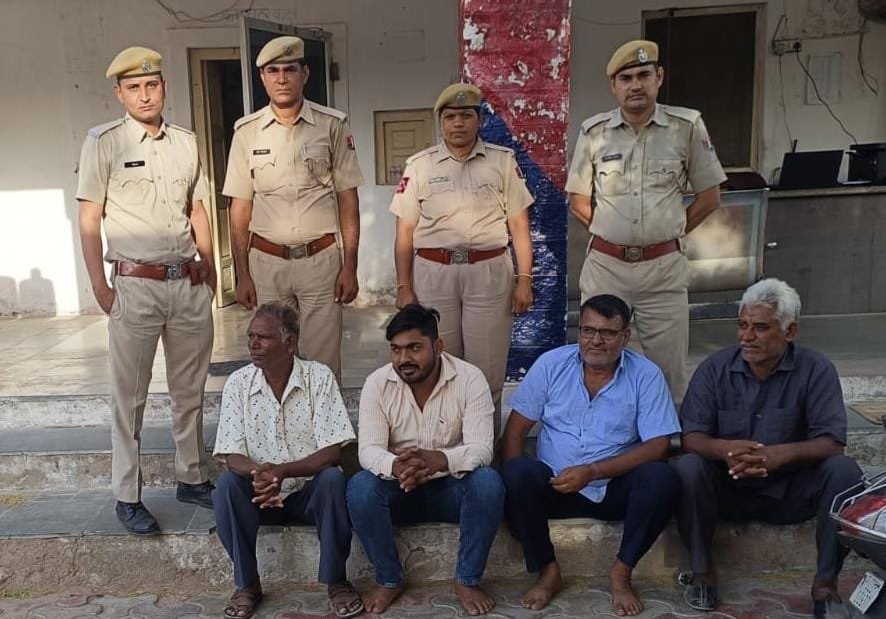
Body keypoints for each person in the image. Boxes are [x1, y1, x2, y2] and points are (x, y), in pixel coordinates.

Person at [76, 46, 216, 535]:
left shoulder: (186, 142)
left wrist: (209, 266)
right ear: (119, 93)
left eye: (152, 85)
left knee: (190, 390)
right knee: (129, 396)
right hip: (135, 286)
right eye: (133, 87)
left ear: (164, 88)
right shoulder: (104, 142)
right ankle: (127, 494)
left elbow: (197, 208)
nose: (144, 94)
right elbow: (89, 217)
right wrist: (100, 286)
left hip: (186, 283)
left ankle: (192, 477)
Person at [673, 278, 862, 619]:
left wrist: (779, 455)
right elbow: (691, 435)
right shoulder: (715, 368)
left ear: (790, 332)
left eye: (760, 328)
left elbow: (831, 441)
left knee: (844, 472)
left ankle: (825, 586)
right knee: (688, 467)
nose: (746, 337)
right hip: (727, 489)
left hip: (788, 492)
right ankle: (703, 574)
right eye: (742, 325)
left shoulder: (816, 369)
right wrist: (724, 450)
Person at [565, 39, 726, 402]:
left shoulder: (686, 126)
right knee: (598, 358)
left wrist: (667, 233)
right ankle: (604, 427)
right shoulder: (594, 132)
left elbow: (709, 197)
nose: (635, 85)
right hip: (606, 266)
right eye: (626, 78)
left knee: (667, 368)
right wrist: (613, 232)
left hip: (663, 269)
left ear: (659, 77)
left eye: (643, 75)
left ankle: (664, 434)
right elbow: (578, 202)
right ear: (614, 86)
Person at [501, 294, 680, 616]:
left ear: (625, 336)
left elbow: (659, 445)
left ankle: (622, 573)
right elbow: (515, 432)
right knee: (516, 473)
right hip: (555, 485)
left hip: (613, 488)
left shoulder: (646, 374)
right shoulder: (551, 364)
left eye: (607, 333)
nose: (596, 341)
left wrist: (594, 471)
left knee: (662, 477)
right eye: (588, 330)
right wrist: (515, 503)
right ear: (579, 331)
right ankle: (548, 570)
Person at [390, 82, 534, 430]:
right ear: (440, 122)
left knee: (487, 371)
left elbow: (519, 226)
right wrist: (404, 286)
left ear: (479, 120)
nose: (458, 123)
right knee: (440, 366)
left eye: (466, 115)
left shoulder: (502, 161)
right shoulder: (420, 166)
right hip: (434, 273)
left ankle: (486, 449)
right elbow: (404, 232)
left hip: (488, 273)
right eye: (450, 116)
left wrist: (524, 280)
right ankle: (446, 445)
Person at [347, 304, 505, 616]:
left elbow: (482, 449)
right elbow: (368, 450)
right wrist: (397, 466)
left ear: (437, 346)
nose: (403, 359)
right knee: (360, 488)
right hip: (400, 489)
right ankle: (389, 579)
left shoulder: (469, 379)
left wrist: (440, 460)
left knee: (487, 483)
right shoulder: (378, 383)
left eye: (414, 348)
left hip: (451, 490)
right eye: (396, 349)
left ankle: (467, 580)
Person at [223, 36, 364, 381]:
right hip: (267, 263)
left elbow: (348, 199)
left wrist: (350, 265)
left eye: (290, 69)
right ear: (262, 78)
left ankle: (323, 420)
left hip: (320, 262)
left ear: (305, 74)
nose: (282, 78)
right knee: (272, 361)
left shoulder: (332, 125)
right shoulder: (247, 132)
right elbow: (239, 207)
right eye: (273, 70)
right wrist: (242, 273)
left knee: (323, 365)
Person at [212, 303, 361, 619]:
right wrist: (258, 473)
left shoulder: (318, 377)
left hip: (307, 494)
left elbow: (332, 451)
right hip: (259, 495)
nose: (253, 344)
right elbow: (231, 453)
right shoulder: (238, 383)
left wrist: (283, 472)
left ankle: (336, 581)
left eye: (263, 337)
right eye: (251, 336)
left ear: (290, 343)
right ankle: (247, 584)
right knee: (226, 486)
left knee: (333, 480)